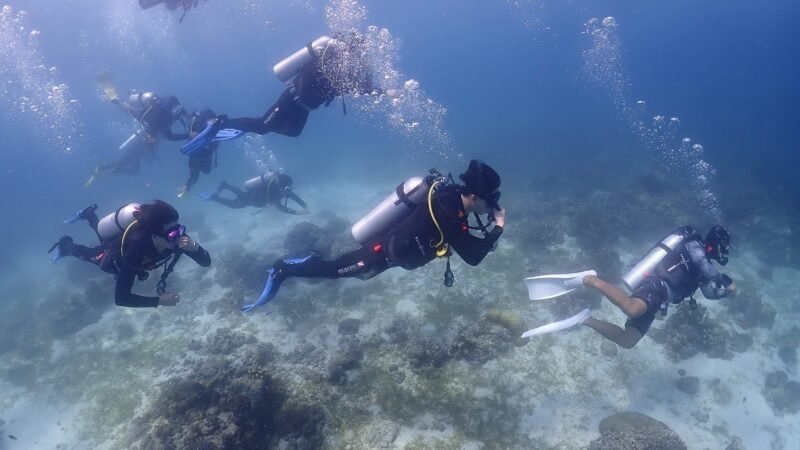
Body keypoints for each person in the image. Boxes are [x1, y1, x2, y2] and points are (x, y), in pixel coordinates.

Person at [241, 159, 506, 312]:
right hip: (382, 251)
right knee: (333, 271)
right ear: (472, 195)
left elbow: (466, 241)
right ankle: (281, 270)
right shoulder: (452, 213)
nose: (492, 204)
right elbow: (473, 255)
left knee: (353, 271)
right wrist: (498, 227)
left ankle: (305, 260)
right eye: (490, 199)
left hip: (391, 253)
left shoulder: (451, 198)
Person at [181, 33, 386, 154]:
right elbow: (326, 78)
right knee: (262, 127)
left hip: (305, 107)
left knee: (294, 133)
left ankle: (243, 127)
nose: (359, 61)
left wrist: (383, 92)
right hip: (292, 98)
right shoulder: (331, 60)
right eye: (358, 55)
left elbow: (357, 89)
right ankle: (220, 122)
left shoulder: (346, 71)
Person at [574, 225, 736, 349]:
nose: (725, 253)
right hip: (656, 284)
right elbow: (705, 266)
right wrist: (727, 282)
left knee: (628, 340)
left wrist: (724, 293)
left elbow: (708, 293)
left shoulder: (703, 270)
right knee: (632, 309)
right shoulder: (695, 246)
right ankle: (589, 278)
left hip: (660, 300)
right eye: (724, 247)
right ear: (714, 243)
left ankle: (585, 319)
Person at [48, 200, 211, 308]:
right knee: (92, 254)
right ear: (154, 235)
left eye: (180, 229)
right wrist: (159, 301)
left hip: (131, 244)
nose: (179, 235)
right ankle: (66, 248)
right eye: (172, 233)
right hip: (116, 254)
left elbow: (206, 263)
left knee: (102, 238)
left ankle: (89, 214)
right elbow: (121, 299)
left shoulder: (178, 238)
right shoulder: (135, 251)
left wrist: (195, 248)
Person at [86, 89, 189, 186]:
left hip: (141, 144)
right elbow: (170, 136)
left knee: (132, 168)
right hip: (138, 145)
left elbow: (132, 111)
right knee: (127, 164)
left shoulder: (157, 116)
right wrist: (188, 134)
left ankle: (104, 170)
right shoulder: (156, 119)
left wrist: (119, 103)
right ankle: (102, 169)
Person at [199, 171, 309, 214]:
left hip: (252, 196)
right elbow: (281, 207)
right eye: (285, 188)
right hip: (253, 200)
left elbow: (295, 198)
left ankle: (225, 186)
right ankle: (214, 198)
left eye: (287, 189)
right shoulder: (274, 191)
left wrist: (305, 206)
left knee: (241, 194)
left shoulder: (283, 189)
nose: (287, 191)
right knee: (234, 205)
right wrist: (297, 212)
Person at [178, 109, 220, 198]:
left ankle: (187, 187)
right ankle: (186, 188)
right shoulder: (198, 124)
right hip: (198, 154)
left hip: (199, 154)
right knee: (198, 175)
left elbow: (216, 142)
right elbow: (191, 134)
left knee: (200, 174)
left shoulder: (201, 124)